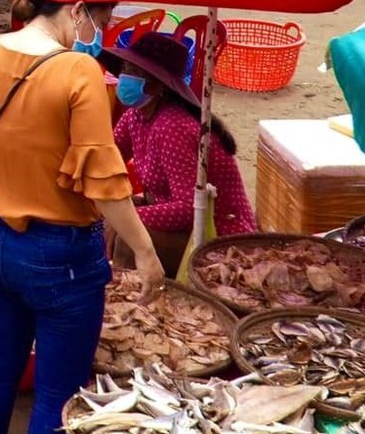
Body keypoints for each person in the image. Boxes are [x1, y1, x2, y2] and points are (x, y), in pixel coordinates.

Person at [0, 0, 164, 434]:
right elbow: (102, 182)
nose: (99, 32)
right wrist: (145, 252)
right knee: (58, 393)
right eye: (102, 17)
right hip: (61, 257)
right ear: (78, 10)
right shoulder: (77, 71)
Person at [105, 29, 256, 273]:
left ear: (158, 86)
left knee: (129, 236)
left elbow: (188, 209)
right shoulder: (137, 115)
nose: (124, 78)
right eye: (125, 70)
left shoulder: (172, 126)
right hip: (174, 217)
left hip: (215, 232)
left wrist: (128, 217)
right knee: (109, 214)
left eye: (134, 73)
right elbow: (107, 155)